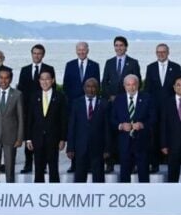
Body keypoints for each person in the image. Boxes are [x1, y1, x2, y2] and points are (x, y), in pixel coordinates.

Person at [101, 36, 141, 174]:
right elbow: (104, 83)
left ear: (126, 47)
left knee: (131, 133)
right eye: (116, 45)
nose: (119, 48)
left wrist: (125, 97)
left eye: (121, 45)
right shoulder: (109, 62)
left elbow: (137, 82)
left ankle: (134, 163)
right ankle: (110, 162)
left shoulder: (133, 63)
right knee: (111, 133)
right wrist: (110, 97)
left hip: (128, 103)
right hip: (112, 104)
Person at [63, 41, 101, 173]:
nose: (81, 52)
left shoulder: (95, 65)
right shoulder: (70, 65)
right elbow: (66, 86)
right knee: (75, 134)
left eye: (83, 50)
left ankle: (90, 164)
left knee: (90, 134)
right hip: (76, 106)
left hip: (90, 104)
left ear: (88, 50)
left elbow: (97, 85)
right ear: (76, 51)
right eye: (79, 50)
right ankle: (74, 164)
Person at [144, 43, 181, 173]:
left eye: (163, 52)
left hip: (171, 107)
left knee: (170, 133)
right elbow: (147, 89)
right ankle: (154, 162)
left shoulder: (176, 67)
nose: (161, 54)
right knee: (154, 134)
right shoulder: (150, 67)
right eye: (158, 52)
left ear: (168, 52)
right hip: (154, 108)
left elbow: (179, 87)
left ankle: (169, 160)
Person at [17, 44, 55, 174]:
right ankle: (28, 164)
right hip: (28, 109)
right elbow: (20, 90)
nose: (36, 55)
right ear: (31, 54)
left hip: (44, 109)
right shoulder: (24, 69)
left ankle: (42, 166)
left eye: (39, 53)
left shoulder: (49, 69)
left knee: (43, 139)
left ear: (43, 55)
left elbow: (52, 89)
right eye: (34, 53)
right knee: (29, 137)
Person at [110, 74, 154, 183]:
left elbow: (154, 119)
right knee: (124, 174)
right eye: (128, 85)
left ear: (138, 85)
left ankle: (145, 197)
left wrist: (143, 125)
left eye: (134, 84)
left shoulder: (147, 98)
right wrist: (120, 126)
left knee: (143, 174)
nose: (131, 87)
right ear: (124, 86)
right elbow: (112, 119)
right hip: (124, 143)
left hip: (142, 142)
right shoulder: (118, 100)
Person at [25, 70, 67, 183]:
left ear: (52, 80)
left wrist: (63, 139)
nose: (45, 81)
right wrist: (28, 138)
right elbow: (30, 118)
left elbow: (63, 119)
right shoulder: (34, 96)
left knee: (53, 168)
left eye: (47, 79)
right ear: (39, 81)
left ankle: (55, 194)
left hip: (53, 139)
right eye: (42, 79)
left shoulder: (60, 97)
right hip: (37, 138)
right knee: (38, 168)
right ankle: (38, 193)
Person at [66, 78, 109, 183]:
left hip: (98, 148)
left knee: (98, 178)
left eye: (94, 86)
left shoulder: (104, 103)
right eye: (88, 86)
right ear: (84, 88)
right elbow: (72, 126)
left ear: (98, 88)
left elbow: (107, 128)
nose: (91, 89)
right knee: (79, 178)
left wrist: (107, 149)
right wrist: (70, 147)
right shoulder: (76, 103)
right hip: (80, 148)